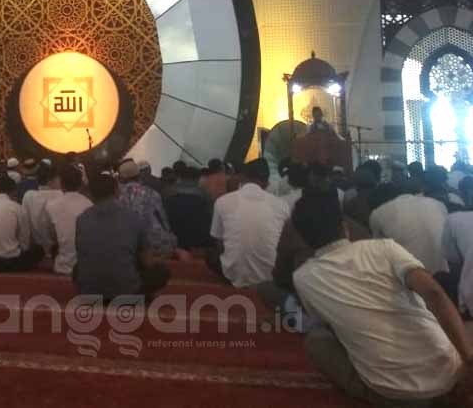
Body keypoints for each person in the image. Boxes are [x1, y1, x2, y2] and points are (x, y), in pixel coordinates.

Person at [292, 190, 473, 404]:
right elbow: (433, 293)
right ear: (344, 226)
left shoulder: (302, 277)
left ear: (303, 238)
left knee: (316, 340)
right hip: (451, 375)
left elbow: (330, 326)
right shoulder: (385, 248)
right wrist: (468, 360)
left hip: (395, 395)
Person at [74, 172, 170, 301]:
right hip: (127, 292)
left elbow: (81, 254)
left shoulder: (82, 219)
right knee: (161, 271)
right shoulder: (133, 217)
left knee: (76, 269)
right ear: (116, 191)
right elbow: (147, 261)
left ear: (90, 194)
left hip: (89, 293)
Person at [207, 159, 290, 288]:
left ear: (242, 177)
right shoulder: (282, 205)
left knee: (211, 254)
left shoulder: (223, 201)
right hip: (270, 276)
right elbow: (284, 244)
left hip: (232, 275)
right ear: (267, 182)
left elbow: (218, 241)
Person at [368, 187, 449, 275]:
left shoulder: (378, 213)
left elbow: (378, 253)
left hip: (414, 280)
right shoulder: (438, 204)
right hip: (445, 275)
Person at [0, 175, 43, 272]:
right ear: (14, 191)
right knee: (39, 250)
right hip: (8, 262)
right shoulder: (18, 208)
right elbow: (24, 243)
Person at [117, 160, 177, 259]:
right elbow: (164, 221)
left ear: (121, 179)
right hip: (154, 246)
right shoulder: (153, 193)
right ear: (138, 176)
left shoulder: (118, 196)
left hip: (128, 248)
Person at [42, 165, 91, 274]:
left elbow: (50, 237)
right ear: (80, 185)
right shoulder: (89, 205)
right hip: (85, 267)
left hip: (63, 266)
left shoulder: (52, 206)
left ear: (62, 185)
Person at [165, 164, 214, 250]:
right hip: (196, 244)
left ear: (180, 178)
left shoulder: (169, 192)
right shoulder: (205, 196)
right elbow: (209, 221)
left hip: (171, 242)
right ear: (198, 179)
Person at [21, 162, 63, 254]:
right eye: (58, 179)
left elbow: (24, 228)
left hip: (36, 253)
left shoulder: (28, 196)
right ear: (50, 180)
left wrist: (25, 250)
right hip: (59, 252)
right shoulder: (61, 195)